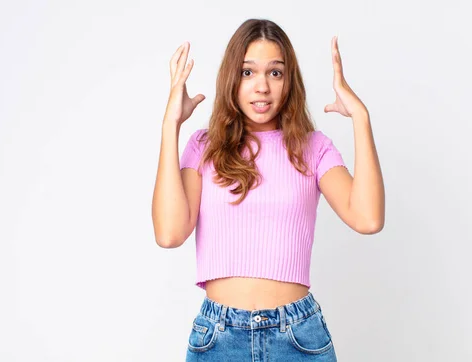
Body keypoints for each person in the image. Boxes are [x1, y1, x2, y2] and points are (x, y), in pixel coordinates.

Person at [152, 18, 385, 361]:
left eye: (275, 73)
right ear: (232, 78)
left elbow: (367, 218)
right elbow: (169, 234)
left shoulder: (313, 148)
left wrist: (361, 118)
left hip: (298, 337)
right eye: (248, 72)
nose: (262, 86)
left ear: (289, 81)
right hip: (219, 337)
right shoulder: (204, 146)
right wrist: (170, 125)